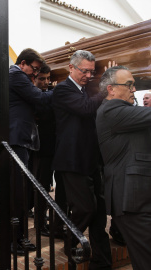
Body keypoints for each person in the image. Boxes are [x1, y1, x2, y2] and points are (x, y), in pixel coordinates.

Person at [52, 50, 112, 269]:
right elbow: (85, 109)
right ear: (71, 68)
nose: (88, 75)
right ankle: (70, 244)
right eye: (84, 70)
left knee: (99, 215)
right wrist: (106, 86)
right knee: (85, 209)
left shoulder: (88, 91)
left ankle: (102, 262)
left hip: (93, 160)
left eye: (92, 71)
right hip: (72, 160)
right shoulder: (63, 90)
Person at [96, 66, 151, 270]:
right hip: (131, 199)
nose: (133, 90)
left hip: (138, 198)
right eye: (129, 85)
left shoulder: (125, 113)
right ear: (111, 89)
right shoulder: (111, 111)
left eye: (133, 85)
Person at [9, 48, 52, 255]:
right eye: (34, 70)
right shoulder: (16, 75)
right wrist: (61, 90)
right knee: (16, 193)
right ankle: (12, 240)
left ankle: (21, 237)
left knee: (23, 193)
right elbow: (39, 98)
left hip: (23, 140)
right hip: (16, 140)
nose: (35, 75)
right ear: (23, 63)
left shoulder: (22, 77)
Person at [33, 63, 57, 236]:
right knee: (40, 188)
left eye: (48, 79)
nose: (46, 82)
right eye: (42, 79)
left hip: (52, 147)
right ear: (34, 79)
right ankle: (39, 223)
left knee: (45, 186)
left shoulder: (47, 95)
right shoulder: (36, 97)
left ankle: (41, 218)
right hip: (39, 150)